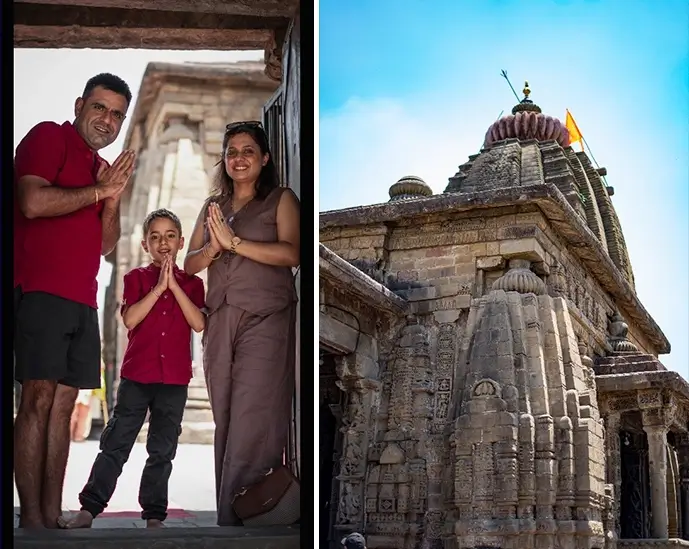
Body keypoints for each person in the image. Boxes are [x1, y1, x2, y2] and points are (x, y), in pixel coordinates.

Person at [13, 73, 135, 529]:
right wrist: (99, 191)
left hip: (83, 298)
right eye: (101, 108)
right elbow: (32, 202)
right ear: (81, 104)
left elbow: (107, 246)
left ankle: (49, 510)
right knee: (37, 400)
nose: (108, 120)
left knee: (64, 407)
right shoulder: (49, 136)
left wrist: (112, 199)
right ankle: (31, 518)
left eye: (118, 114)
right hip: (41, 289)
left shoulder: (100, 169)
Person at [59, 209, 206, 529]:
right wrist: (158, 288)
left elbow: (198, 323)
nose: (162, 243)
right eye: (155, 237)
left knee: (162, 450)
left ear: (181, 242)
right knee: (115, 444)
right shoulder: (135, 278)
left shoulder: (193, 284)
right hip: (137, 376)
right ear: (145, 245)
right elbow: (129, 319)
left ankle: (154, 515)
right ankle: (89, 508)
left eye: (169, 236)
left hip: (175, 379)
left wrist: (174, 286)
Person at [184, 120, 300, 526]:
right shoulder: (213, 207)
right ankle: (234, 513)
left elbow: (291, 253)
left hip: (265, 317)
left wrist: (235, 244)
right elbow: (190, 263)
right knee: (227, 418)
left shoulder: (281, 199)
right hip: (220, 319)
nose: (239, 158)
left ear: (264, 158)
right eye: (232, 151)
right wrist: (213, 249)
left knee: (255, 415)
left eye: (248, 150)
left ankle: (239, 519)